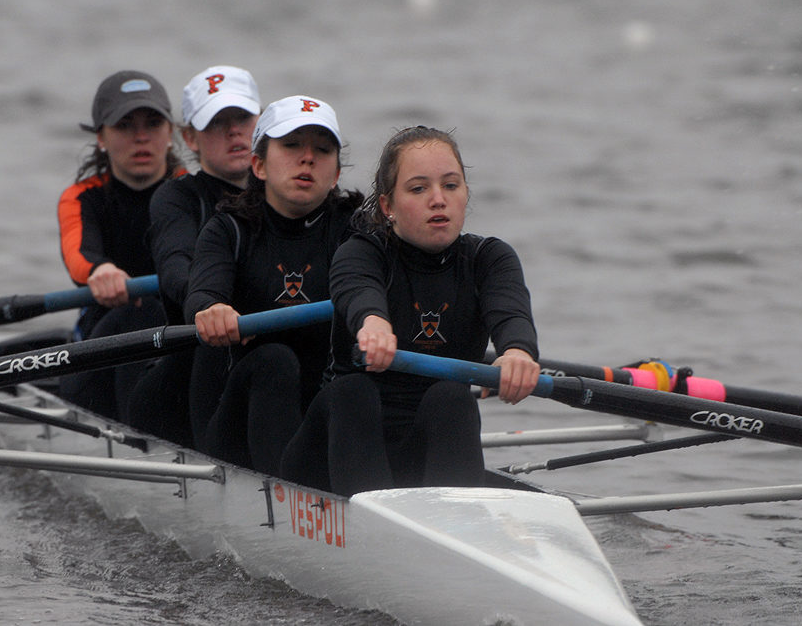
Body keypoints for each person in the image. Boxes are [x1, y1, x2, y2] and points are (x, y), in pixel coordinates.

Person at [280, 126, 540, 496]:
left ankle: (456, 526)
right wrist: (373, 323)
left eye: (451, 185)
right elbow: (358, 289)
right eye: (419, 189)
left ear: (466, 193)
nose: (438, 199)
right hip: (333, 455)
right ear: (387, 207)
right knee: (353, 391)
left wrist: (517, 352)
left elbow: (510, 311)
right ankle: (375, 529)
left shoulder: (490, 259)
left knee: (452, 398)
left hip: (422, 452)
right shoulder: (361, 251)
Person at [184, 95, 362, 474]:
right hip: (233, 427)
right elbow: (202, 293)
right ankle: (285, 500)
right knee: (275, 360)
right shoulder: (228, 229)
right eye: (292, 145)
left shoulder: (356, 232)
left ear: (335, 176)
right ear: (259, 165)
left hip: (319, 419)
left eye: (323, 149)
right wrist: (212, 310)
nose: (308, 158)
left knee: (356, 388)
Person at [117, 65, 261, 444]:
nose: (234, 131)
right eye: (218, 122)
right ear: (190, 138)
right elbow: (174, 264)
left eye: (242, 117)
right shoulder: (177, 197)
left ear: (261, 122)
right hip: (182, 381)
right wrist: (209, 305)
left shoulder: (292, 195)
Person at [56, 70, 181, 420]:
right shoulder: (82, 198)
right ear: (101, 137)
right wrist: (101, 270)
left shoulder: (193, 191)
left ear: (170, 133)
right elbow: (78, 255)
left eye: (153, 123)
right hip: (106, 331)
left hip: (182, 330)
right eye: (125, 125)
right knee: (137, 312)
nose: (141, 137)